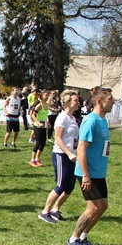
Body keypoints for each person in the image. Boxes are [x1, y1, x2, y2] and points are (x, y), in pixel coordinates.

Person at [66, 87, 113, 245]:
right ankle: (73, 239)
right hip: (88, 173)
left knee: (103, 206)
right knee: (93, 207)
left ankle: (84, 237)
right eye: (110, 99)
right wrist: (86, 176)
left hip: (98, 172)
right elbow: (81, 149)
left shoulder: (102, 120)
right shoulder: (91, 120)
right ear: (99, 101)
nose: (113, 102)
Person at [38, 90, 80, 223]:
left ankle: (55, 210)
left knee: (70, 186)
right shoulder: (62, 118)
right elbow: (58, 138)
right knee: (61, 184)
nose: (78, 102)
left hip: (71, 155)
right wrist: (68, 153)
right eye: (75, 100)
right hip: (61, 155)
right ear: (67, 103)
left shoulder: (72, 118)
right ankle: (45, 212)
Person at [29, 90, 50, 167]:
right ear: (41, 97)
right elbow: (33, 115)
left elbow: (45, 115)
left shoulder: (48, 105)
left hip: (44, 124)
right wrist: (38, 123)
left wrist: (47, 122)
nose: (47, 97)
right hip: (38, 125)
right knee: (38, 142)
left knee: (43, 143)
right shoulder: (39, 105)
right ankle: (32, 160)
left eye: (47, 95)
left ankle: (37, 159)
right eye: (45, 95)